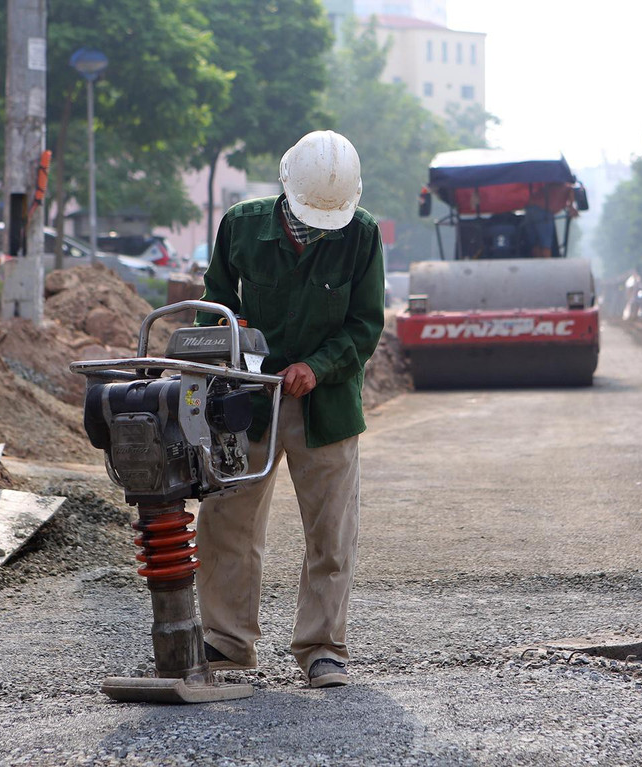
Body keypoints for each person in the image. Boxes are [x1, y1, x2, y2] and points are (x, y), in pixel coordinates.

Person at [192, 130, 385, 689]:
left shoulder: (362, 236)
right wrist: (234, 342)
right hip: (244, 403)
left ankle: (323, 648)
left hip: (324, 406)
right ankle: (226, 644)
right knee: (227, 522)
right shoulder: (242, 226)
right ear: (286, 189)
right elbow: (216, 304)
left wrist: (317, 367)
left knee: (331, 530)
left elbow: (365, 325)